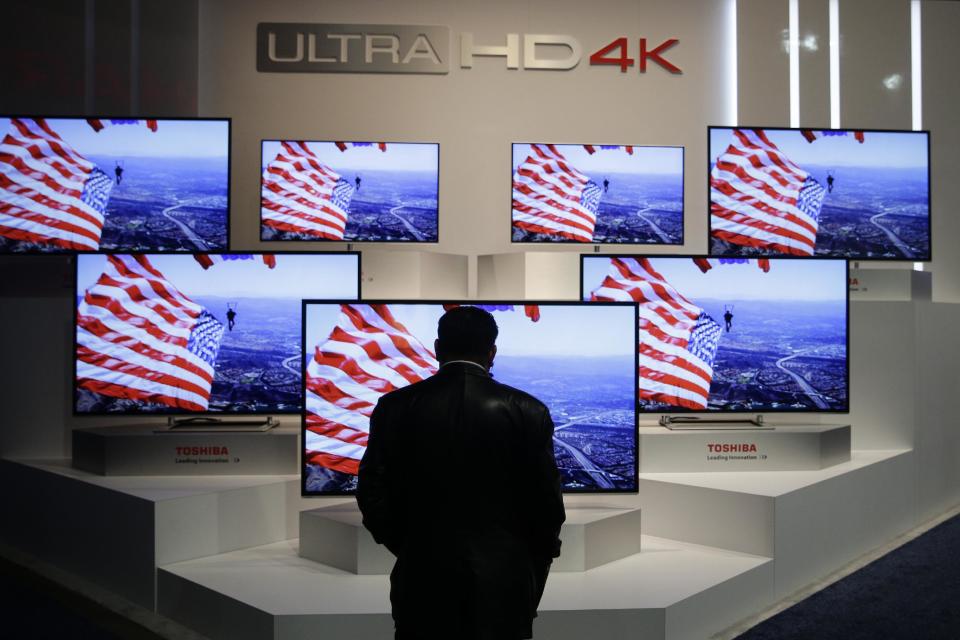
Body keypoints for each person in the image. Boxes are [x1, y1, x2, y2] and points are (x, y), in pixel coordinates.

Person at [357, 306, 566, 640]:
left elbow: (371, 493)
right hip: (504, 582)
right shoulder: (529, 411)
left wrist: (410, 546)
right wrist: (525, 561)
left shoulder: (394, 407)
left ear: (438, 348)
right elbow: (547, 506)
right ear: (492, 352)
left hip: (422, 579)